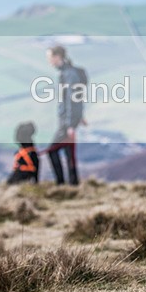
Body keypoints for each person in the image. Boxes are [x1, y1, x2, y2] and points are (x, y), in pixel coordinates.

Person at [46, 45, 85, 186]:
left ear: (57, 57)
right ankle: (73, 184)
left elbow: (72, 99)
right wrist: (80, 117)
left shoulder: (69, 74)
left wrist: (70, 125)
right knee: (69, 152)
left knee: (52, 150)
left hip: (66, 122)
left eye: (50, 58)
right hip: (69, 120)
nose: (49, 61)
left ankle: (61, 183)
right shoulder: (68, 73)